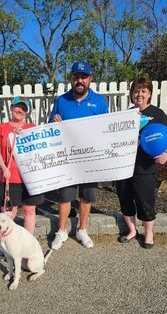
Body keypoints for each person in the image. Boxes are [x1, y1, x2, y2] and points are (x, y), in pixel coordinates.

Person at [49, 61, 109, 250]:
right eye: (76, 77)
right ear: (71, 79)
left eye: (84, 77)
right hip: (68, 159)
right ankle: (62, 231)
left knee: (87, 195)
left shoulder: (99, 101)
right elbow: (51, 128)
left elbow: (105, 128)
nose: (80, 80)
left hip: (90, 159)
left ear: (90, 79)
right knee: (65, 196)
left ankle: (81, 229)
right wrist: (54, 122)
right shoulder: (61, 100)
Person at [115, 76, 167, 249]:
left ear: (150, 94)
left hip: (145, 167)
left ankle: (148, 233)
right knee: (125, 198)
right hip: (124, 165)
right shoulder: (127, 114)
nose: (139, 94)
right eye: (136, 91)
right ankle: (132, 230)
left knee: (145, 200)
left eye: (143, 91)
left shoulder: (158, 114)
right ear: (132, 94)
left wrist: (166, 154)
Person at [0, 96, 44, 261]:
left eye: (24, 108)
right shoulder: (1, 128)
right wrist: (3, 167)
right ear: (11, 108)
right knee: (7, 214)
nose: (20, 110)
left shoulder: (32, 128)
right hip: (9, 178)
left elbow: (42, 148)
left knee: (29, 210)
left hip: (30, 178)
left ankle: (27, 245)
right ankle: (2, 246)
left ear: (27, 112)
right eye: (17, 107)